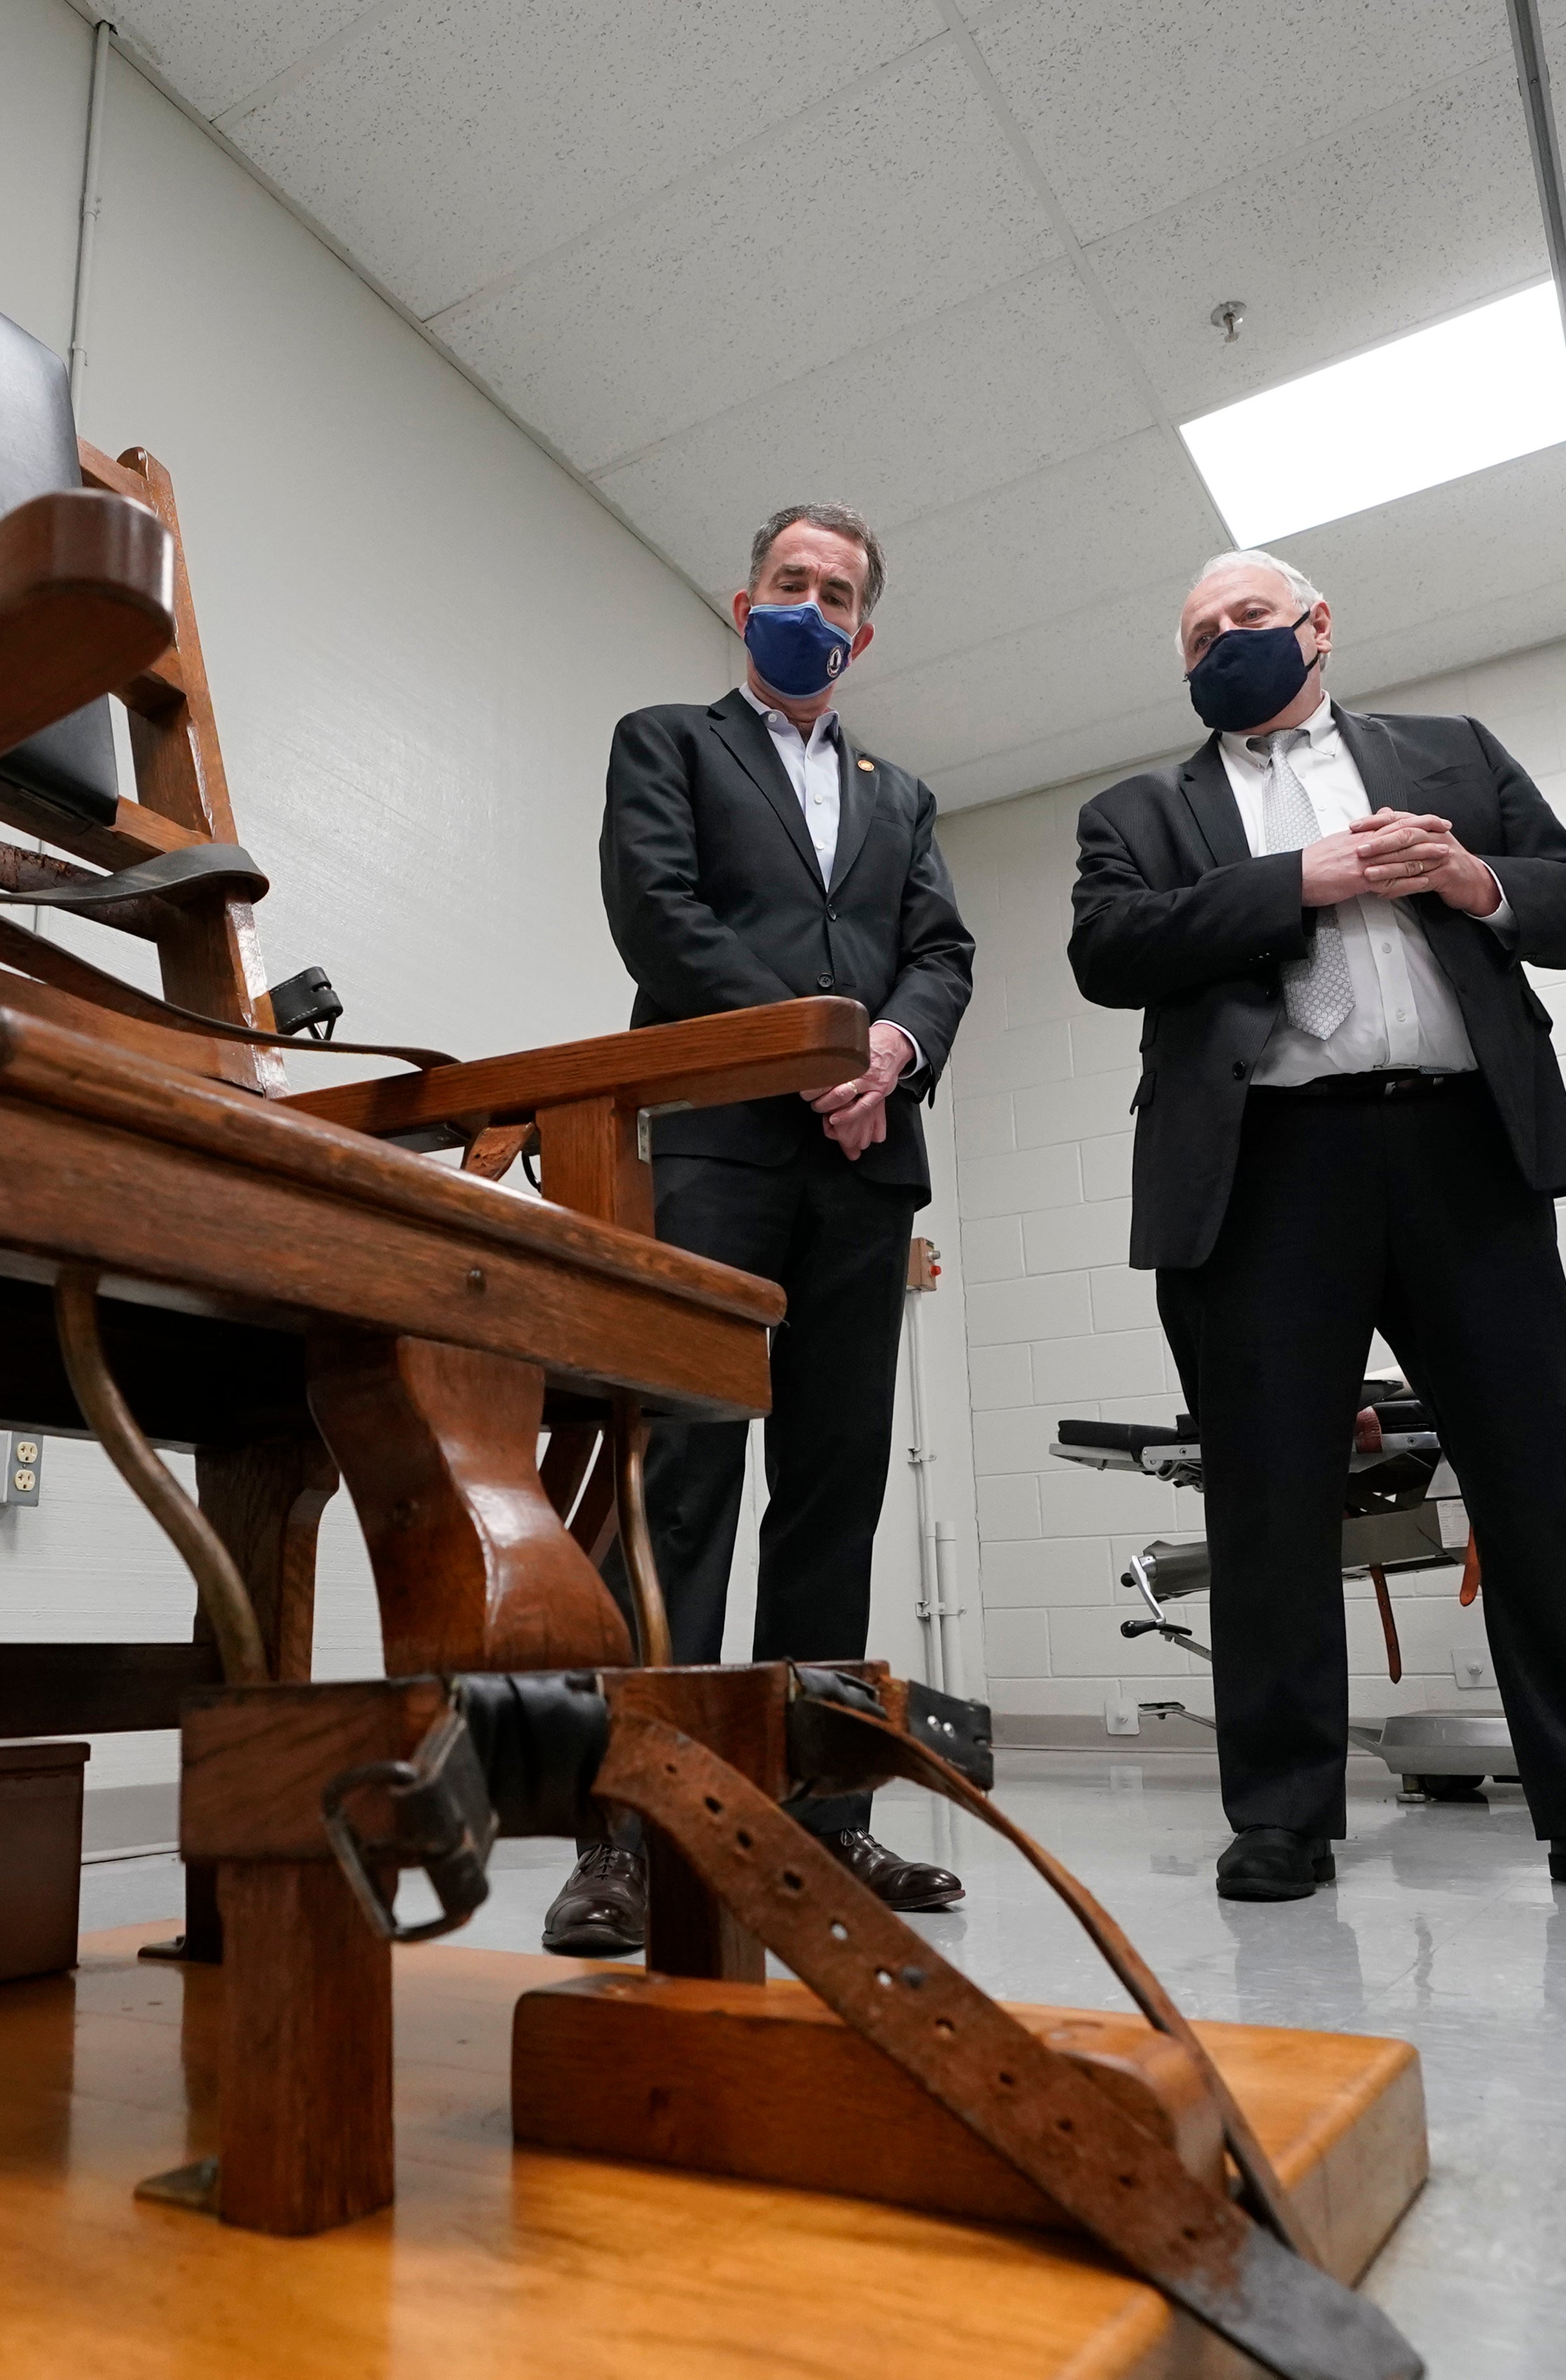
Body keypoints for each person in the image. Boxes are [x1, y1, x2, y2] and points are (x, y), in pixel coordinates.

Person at [1067, 550, 1566, 1909]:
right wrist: (1298, 880)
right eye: (1197, 632)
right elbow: (1108, 949)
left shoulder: (1449, 752)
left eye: (1246, 617)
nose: (1220, 643)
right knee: (1267, 1506)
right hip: (1261, 1173)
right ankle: (1280, 1819)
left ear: (1318, 625)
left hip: (1462, 1156)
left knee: (1538, 1489)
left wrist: (1473, 878)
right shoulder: (1140, 805)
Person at [548, 501, 980, 1955]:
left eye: (839, 588)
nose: (812, 601)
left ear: (865, 626)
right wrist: (809, 1052)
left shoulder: (900, 792)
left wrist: (889, 1059)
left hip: (864, 1166)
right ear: (746, 604)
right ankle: (621, 1826)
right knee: (682, 1477)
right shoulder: (666, 739)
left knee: (833, 1485)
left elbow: (940, 953)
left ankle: (822, 1814)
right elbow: (658, 917)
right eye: (790, 579)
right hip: (720, 1143)